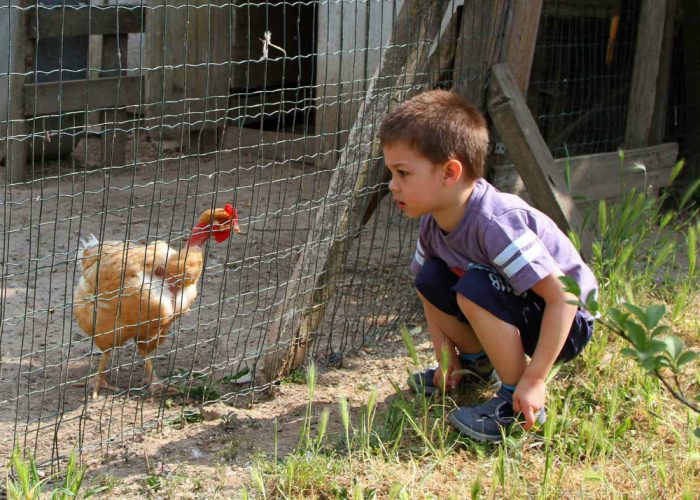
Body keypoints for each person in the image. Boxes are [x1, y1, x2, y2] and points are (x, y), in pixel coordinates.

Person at [378, 90, 597, 442]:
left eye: (402, 173)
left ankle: (515, 401)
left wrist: (534, 379)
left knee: (474, 287)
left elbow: (565, 298)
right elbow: (428, 294)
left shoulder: (495, 222)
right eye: (391, 172)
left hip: (566, 322)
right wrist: (445, 355)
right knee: (430, 278)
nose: (392, 184)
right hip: (520, 305)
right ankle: (475, 365)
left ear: (450, 172)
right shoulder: (433, 224)